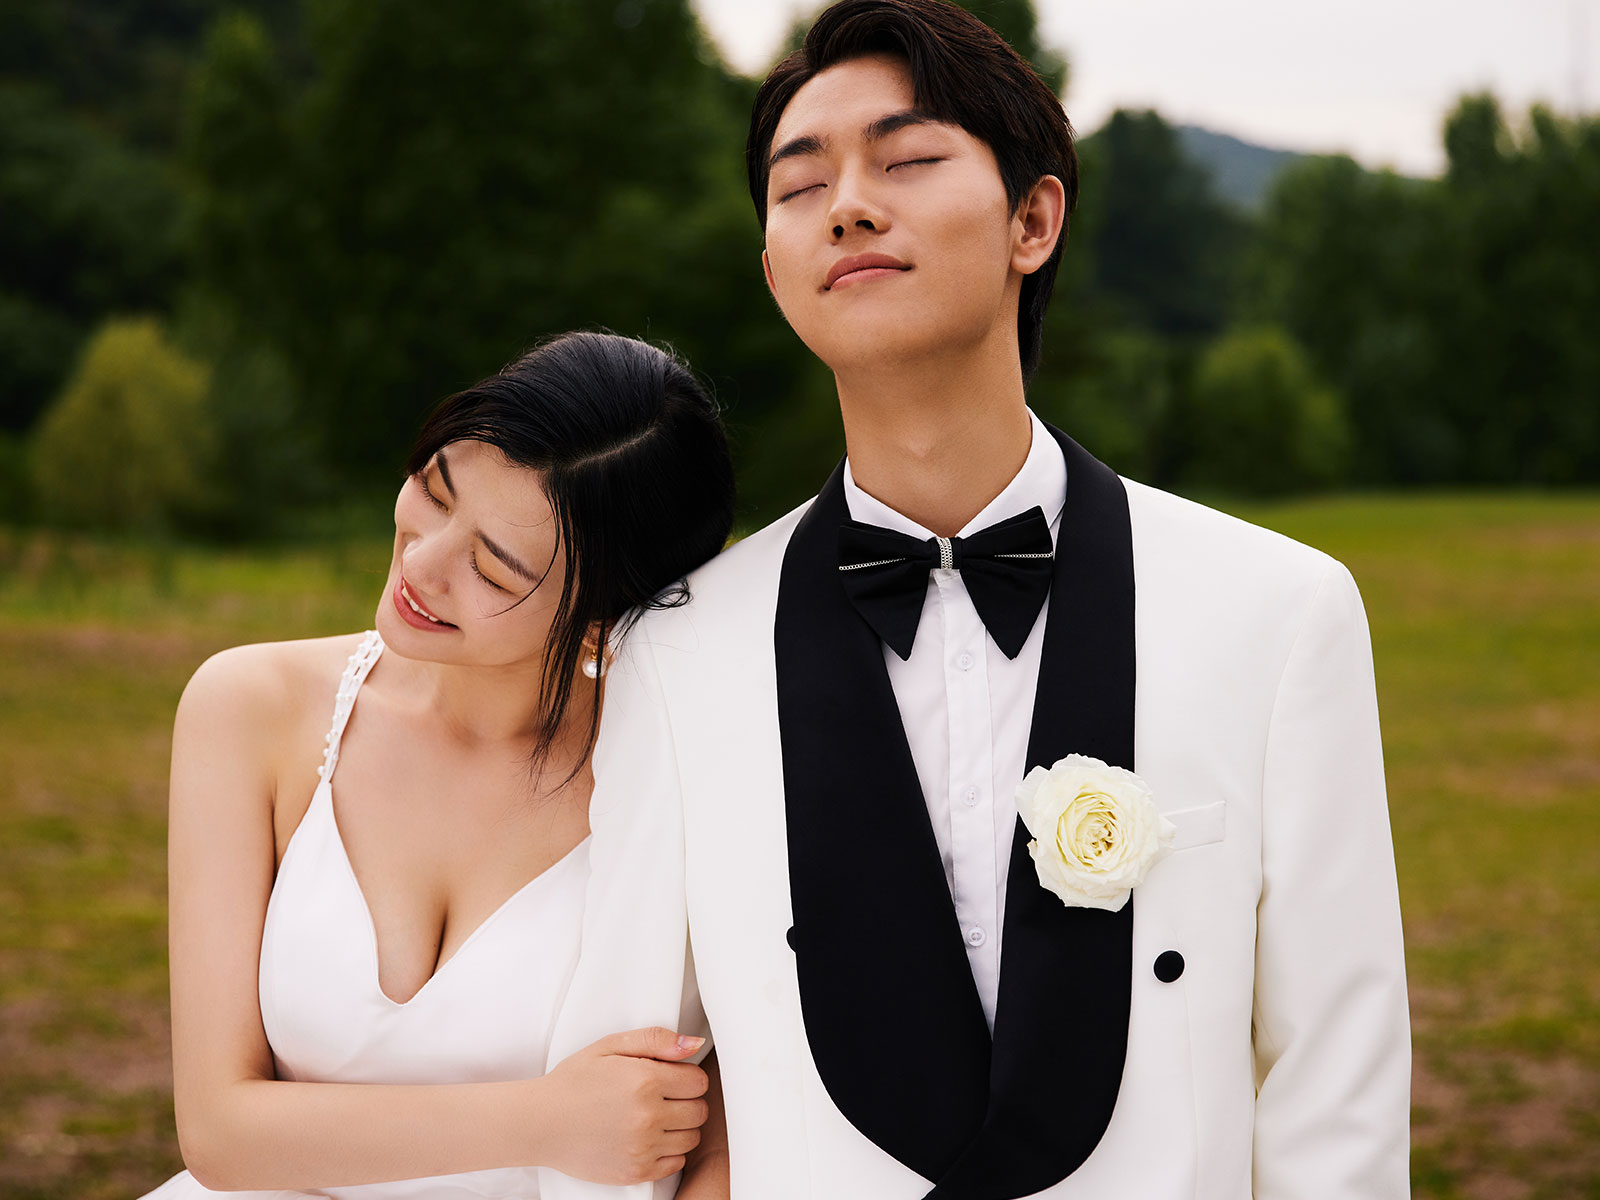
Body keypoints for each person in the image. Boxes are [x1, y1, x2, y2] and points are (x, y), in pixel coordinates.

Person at [569, 2, 1411, 1197]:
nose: (847, 205)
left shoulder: (1279, 612)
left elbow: (1337, 1088)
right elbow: (622, 1094)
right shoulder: (676, 652)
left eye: (907, 160)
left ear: (1033, 219)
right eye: (799, 185)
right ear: (772, 270)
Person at [141, 331, 736, 1200]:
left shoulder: (685, 783)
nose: (422, 562)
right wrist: (547, 1121)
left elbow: (731, 1121)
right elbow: (220, 1133)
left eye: (493, 569)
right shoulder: (250, 709)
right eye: (434, 488)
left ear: (601, 619)